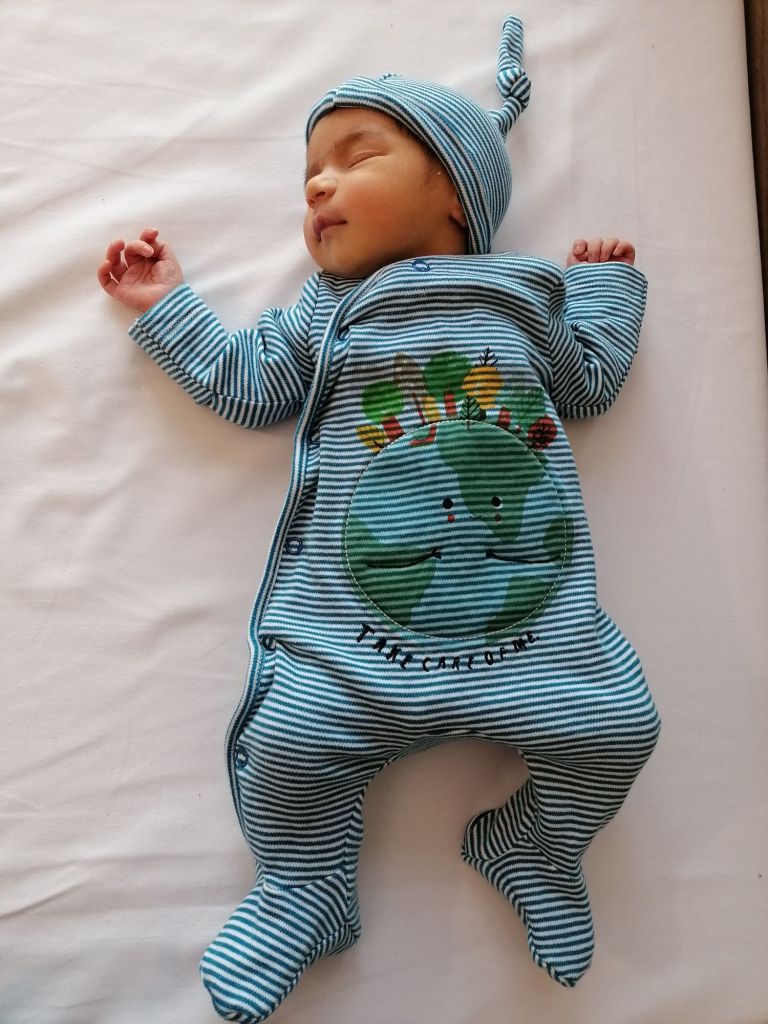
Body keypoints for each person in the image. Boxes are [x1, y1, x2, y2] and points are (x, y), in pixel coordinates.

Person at [98, 15, 660, 1024]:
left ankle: (534, 842)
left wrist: (606, 291)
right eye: (309, 176)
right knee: (284, 748)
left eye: (356, 158)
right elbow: (251, 385)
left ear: (457, 192)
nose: (318, 188)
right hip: (354, 645)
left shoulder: (523, 295)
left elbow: (589, 383)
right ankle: (305, 886)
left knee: (618, 727)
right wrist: (167, 306)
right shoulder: (331, 308)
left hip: (535, 641)